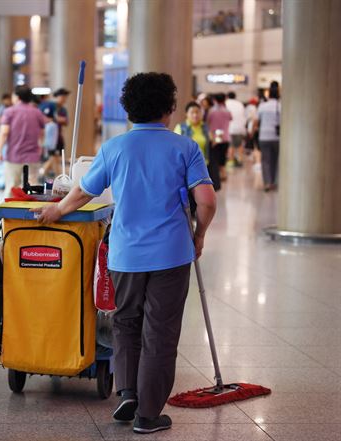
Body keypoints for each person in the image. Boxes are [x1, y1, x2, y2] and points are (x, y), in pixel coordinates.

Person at [32, 72, 216, 435]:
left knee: (127, 323)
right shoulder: (185, 148)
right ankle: (148, 414)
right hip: (171, 255)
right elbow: (206, 200)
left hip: (126, 255)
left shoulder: (114, 148)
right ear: (170, 107)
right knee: (160, 332)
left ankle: (128, 393)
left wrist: (55, 211)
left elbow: (83, 191)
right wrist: (198, 234)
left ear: (129, 108)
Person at [0, 85, 45, 196]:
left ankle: (9, 213)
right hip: (33, 157)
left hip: (14, 156)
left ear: (17, 96)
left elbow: (4, 132)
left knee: (12, 187)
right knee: (32, 188)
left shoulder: (9, 111)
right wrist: (40, 148)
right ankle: (31, 212)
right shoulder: (37, 112)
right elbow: (42, 134)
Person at [255, 84, 281, 191]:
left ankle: (267, 183)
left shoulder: (263, 106)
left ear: (269, 94)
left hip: (264, 136)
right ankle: (274, 183)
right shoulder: (280, 106)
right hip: (277, 137)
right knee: (275, 160)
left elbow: (256, 121)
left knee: (265, 160)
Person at [40, 88, 70, 177]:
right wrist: (56, 119)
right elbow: (43, 119)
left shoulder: (63, 109)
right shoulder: (49, 106)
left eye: (66, 97)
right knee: (53, 156)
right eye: (63, 97)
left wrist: (57, 120)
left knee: (56, 157)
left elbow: (66, 122)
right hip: (50, 137)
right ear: (57, 97)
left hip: (59, 136)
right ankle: (52, 173)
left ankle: (52, 174)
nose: (64, 99)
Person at [206, 93, 232, 181]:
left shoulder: (211, 111)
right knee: (223, 157)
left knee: (215, 158)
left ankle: (216, 176)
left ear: (215, 100)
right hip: (225, 137)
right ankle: (223, 174)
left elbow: (207, 122)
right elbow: (231, 118)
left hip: (215, 137)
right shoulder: (227, 111)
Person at [225, 91, 246, 167]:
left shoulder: (226, 103)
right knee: (239, 144)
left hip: (229, 128)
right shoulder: (240, 104)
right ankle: (240, 160)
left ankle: (231, 161)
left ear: (227, 96)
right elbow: (243, 116)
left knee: (231, 145)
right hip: (240, 128)